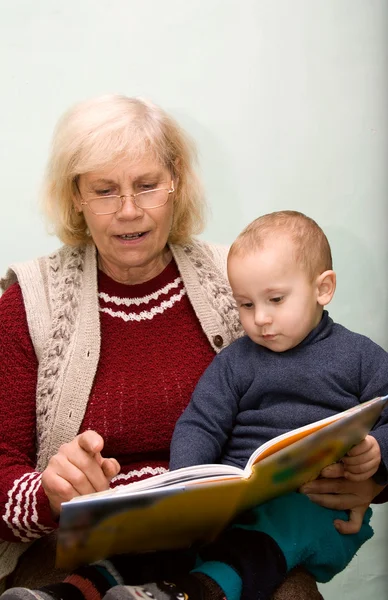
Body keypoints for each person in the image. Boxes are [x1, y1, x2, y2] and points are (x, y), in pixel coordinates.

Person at [0, 96, 385, 600]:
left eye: (146, 185)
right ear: (76, 196)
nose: (129, 210)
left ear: (175, 182)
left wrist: (367, 481)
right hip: (78, 545)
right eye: (104, 190)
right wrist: (50, 496)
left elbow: (334, 400)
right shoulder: (28, 303)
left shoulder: (245, 281)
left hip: (235, 527)